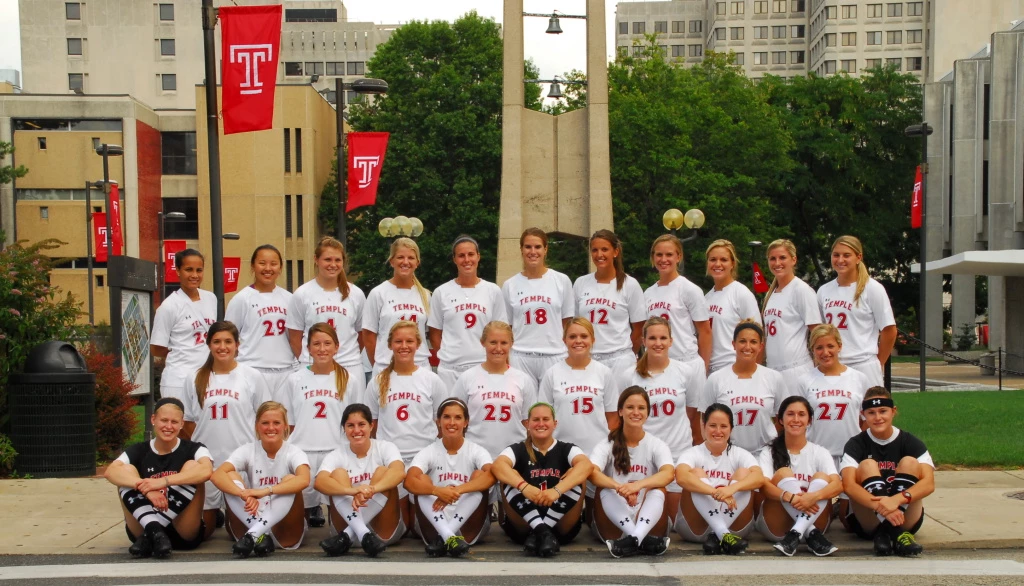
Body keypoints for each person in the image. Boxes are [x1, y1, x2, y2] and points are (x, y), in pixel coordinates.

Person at [181, 321, 271, 537]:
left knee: (238, 534)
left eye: (228, 341)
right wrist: (200, 448)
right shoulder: (194, 377)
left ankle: (230, 514)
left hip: (239, 459)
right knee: (202, 534)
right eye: (217, 342)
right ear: (208, 344)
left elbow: (265, 417)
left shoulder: (251, 376)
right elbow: (188, 421)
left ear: (237, 345)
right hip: (208, 460)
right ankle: (215, 514)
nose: (223, 347)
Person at [362, 320, 449, 527]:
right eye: (398, 341)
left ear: (418, 344)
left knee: (421, 528)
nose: (404, 346)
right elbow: (371, 424)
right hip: (392, 461)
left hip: (423, 460)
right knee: (402, 525)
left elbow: (442, 423)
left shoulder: (431, 379)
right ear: (390, 344)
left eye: (409, 341)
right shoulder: (378, 380)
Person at [617, 317, 704, 519]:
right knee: (642, 517)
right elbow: (624, 417)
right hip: (643, 455)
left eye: (663, 338)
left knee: (673, 521)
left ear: (671, 341)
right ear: (643, 341)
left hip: (676, 453)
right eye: (653, 338)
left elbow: (691, 414)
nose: (658, 343)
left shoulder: (686, 372)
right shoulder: (629, 376)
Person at [105, 398, 213, 558]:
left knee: (193, 466)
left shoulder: (194, 448)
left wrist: (163, 481)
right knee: (125, 471)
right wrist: (145, 488)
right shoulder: (139, 449)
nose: (169, 426)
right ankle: (153, 529)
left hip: (182, 531)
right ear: (153, 420)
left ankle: (152, 531)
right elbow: (110, 472)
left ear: (182, 424)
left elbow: (206, 471)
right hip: (142, 526)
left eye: (174, 422)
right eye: (164, 420)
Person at [281, 323, 360, 529]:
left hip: (336, 450)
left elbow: (356, 421)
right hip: (303, 450)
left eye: (327, 343)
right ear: (308, 348)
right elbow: (288, 422)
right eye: (316, 344)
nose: (322, 349)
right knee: (300, 521)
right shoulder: (295, 379)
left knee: (339, 518)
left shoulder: (349, 379)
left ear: (337, 347)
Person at [840, 387, 935, 557]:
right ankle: (897, 535)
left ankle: (886, 534)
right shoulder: (856, 444)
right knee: (867, 465)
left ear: (893, 411)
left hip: (906, 515)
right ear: (863, 415)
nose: (878, 418)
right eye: (871, 412)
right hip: (869, 519)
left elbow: (929, 483)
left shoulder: (910, 442)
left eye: (883, 411)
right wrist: (882, 506)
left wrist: (897, 499)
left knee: (910, 462)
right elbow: (848, 485)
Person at [210, 402, 310, 557]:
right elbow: (217, 475)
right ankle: (258, 533)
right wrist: (243, 493)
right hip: (250, 518)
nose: (271, 428)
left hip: (283, 531)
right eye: (265, 423)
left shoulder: (294, 452)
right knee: (229, 476)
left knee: (291, 479)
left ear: (285, 426)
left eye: (276, 423)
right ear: (257, 426)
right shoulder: (248, 449)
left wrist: (265, 491)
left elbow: (304, 480)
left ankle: (255, 533)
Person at [491, 402, 590, 557]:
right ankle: (542, 530)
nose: (541, 424)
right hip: (523, 525)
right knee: (507, 477)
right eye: (536, 420)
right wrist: (524, 487)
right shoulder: (517, 449)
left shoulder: (566, 448)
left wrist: (556, 491)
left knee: (577, 476)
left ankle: (540, 531)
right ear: (527, 424)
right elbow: (497, 466)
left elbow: (586, 466)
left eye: (546, 419)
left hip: (561, 525)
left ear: (554, 423)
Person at [590, 387, 675, 558]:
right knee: (603, 489)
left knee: (659, 489)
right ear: (620, 411)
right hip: (615, 517)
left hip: (647, 515)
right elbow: (592, 473)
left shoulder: (656, 444)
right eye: (630, 407)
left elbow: (668, 474)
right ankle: (641, 540)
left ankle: (633, 539)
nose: (635, 412)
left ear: (648, 412)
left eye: (641, 408)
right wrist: (619, 487)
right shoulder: (607, 444)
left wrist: (638, 485)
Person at [405, 399, 495, 557]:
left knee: (479, 475)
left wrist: (455, 491)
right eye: (446, 417)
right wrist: (437, 491)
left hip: (468, 523)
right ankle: (447, 535)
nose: (452, 422)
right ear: (438, 421)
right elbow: (409, 481)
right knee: (422, 480)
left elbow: (491, 476)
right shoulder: (429, 450)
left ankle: (444, 537)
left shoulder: (476, 450)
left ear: (466, 422)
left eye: (458, 418)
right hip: (435, 518)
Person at [314, 404, 406, 557]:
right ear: (344, 428)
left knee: (383, 472)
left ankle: (349, 534)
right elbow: (320, 482)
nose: (356, 430)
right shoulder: (337, 454)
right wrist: (352, 491)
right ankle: (362, 533)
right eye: (350, 425)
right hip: (343, 528)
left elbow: (399, 472)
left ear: (371, 425)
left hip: (381, 534)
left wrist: (371, 490)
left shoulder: (385, 447)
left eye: (361, 424)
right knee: (337, 475)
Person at [756, 396, 842, 557]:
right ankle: (808, 532)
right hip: (778, 526)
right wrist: (790, 497)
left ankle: (797, 532)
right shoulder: (768, 452)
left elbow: (838, 485)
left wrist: (813, 496)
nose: (796, 419)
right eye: (790, 414)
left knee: (822, 477)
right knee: (783, 473)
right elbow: (764, 487)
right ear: (780, 419)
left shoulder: (820, 452)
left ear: (809, 420)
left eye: (801, 414)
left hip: (817, 521)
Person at [675, 403, 764, 555]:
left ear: (731, 429)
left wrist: (731, 489)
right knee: (696, 473)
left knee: (744, 473)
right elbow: (681, 477)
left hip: (734, 527)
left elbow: (759, 478)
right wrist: (714, 492)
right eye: (712, 425)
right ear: (703, 426)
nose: (718, 431)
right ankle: (722, 533)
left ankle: (717, 535)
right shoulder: (693, 453)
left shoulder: (740, 454)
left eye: (723, 426)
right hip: (696, 529)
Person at [286, 236, 366, 396]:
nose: (333, 265)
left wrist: (345, 354)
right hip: (312, 364)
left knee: (353, 417)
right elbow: (295, 337)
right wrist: (315, 358)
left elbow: (362, 334)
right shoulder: (302, 294)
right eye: (327, 259)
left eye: (337, 260)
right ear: (316, 260)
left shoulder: (355, 294)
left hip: (348, 364)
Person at [428, 235, 509, 389]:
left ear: (478, 256)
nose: (467, 260)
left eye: (471, 254)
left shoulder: (492, 291)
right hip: (450, 371)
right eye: (461, 255)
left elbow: (501, 331)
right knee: (451, 412)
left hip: (483, 366)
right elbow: (434, 332)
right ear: (454, 259)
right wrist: (448, 355)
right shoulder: (441, 292)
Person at [816, 235, 897, 388]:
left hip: (863, 364)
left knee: (868, 411)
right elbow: (820, 331)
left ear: (858, 257)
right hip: (834, 364)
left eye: (847, 255)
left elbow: (889, 330)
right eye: (836, 255)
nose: (840, 260)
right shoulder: (824, 291)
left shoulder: (872, 288)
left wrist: (878, 362)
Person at [451, 321, 537, 458]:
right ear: (482, 342)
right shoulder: (467, 378)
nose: (498, 348)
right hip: (475, 455)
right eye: (493, 342)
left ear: (511, 344)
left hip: (514, 456)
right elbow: (454, 418)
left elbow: (529, 423)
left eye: (504, 343)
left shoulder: (523, 380)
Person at [502, 228, 575, 386]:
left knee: (553, 407)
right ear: (521, 249)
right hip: (521, 355)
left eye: (537, 247)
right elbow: (507, 327)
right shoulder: (510, 285)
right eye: (528, 247)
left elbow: (567, 323)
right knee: (524, 406)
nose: (532, 251)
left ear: (546, 249)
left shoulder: (561, 281)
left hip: (554, 354)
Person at [701, 321, 787, 453]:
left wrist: (772, 443)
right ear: (733, 344)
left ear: (760, 346)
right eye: (742, 341)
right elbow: (704, 419)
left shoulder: (774, 377)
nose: (747, 347)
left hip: (765, 453)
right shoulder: (716, 379)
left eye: (753, 342)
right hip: (728, 453)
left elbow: (783, 419)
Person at [224, 244, 295, 402]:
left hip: (285, 370)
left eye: (273, 264)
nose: (268, 268)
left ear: (280, 267)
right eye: (262, 263)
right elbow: (228, 337)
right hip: (252, 369)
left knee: (283, 422)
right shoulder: (242, 299)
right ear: (253, 266)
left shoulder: (290, 299)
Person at [538, 318, 618, 455]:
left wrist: (606, 449)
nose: (578, 341)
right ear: (564, 340)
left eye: (584, 336)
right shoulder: (552, 373)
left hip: (598, 452)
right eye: (572, 336)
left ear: (593, 340)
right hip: (561, 452)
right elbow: (543, 417)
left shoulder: (604, 372)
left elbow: (613, 417)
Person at [573, 230, 646, 372]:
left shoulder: (629, 284)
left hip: (620, 359)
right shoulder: (580, 283)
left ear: (615, 252)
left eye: (604, 249)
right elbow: (575, 324)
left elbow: (639, 329)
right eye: (595, 250)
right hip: (588, 358)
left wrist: (628, 353)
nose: (599, 255)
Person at [798, 324, 869, 468]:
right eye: (819, 348)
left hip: (852, 455)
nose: (825, 352)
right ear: (812, 350)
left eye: (830, 346)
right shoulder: (804, 381)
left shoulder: (859, 378)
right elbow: (799, 421)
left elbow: (867, 419)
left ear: (839, 346)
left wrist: (859, 444)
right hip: (817, 455)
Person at [151, 249, 217, 402]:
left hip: (207, 377)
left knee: (203, 425)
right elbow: (156, 348)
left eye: (199, 270)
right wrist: (182, 352)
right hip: (178, 380)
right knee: (177, 424)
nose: (194, 275)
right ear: (178, 271)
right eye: (189, 270)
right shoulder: (169, 306)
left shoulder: (210, 299)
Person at [761, 239, 822, 395]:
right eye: (772, 259)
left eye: (782, 258)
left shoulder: (801, 290)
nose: (777, 263)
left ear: (793, 260)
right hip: (773, 370)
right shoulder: (771, 293)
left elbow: (817, 332)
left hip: (796, 369)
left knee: (798, 418)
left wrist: (820, 368)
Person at [363, 237, 431, 376]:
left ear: (417, 262)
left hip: (420, 367)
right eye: (400, 257)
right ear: (392, 261)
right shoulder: (378, 293)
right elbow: (369, 336)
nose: (405, 262)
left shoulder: (425, 295)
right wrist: (380, 363)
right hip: (387, 367)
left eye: (411, 258)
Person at [644, 234, 711, 374]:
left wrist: (703, 368)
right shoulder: (648, 293)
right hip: (657, 363)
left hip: (686, 362)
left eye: (669, 254)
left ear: (678, 257)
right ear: (653, 257)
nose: (663, 259)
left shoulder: (689, 289)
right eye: (659, 255)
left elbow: (705, 331)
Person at [704, 239, 761, 373]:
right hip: (711, 370)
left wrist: (755, 372)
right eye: (713, 259)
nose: (718, 264)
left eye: (724, 260)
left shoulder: (741, 293)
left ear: (732, 263)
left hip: (734, 367)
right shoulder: (706, 298)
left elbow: (758, 336)